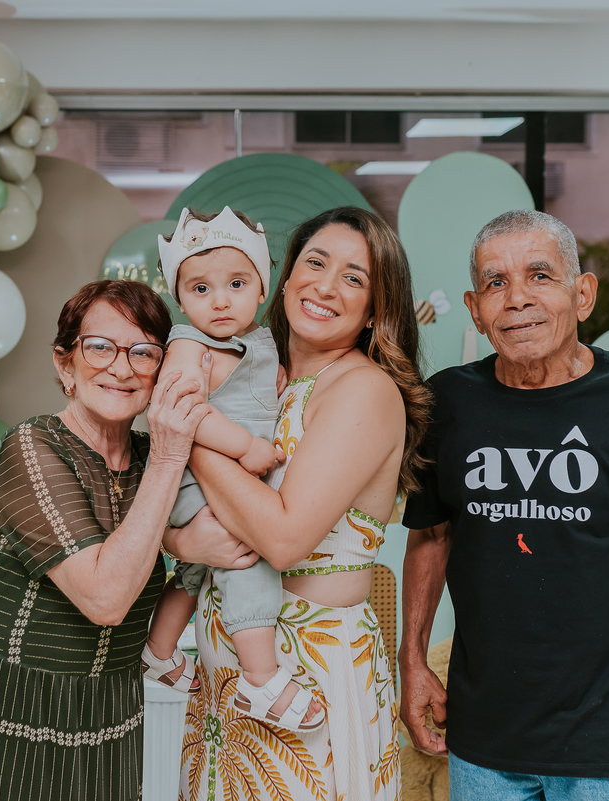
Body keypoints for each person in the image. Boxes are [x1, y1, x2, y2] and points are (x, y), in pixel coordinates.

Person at [399, 209, 609, 801]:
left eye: (539, 275)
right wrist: (412, 659)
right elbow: (431, 536)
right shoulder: (446, 403)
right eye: (496, 283)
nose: (517, 299)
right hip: (486, 735)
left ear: (583, 293)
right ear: (474, 308)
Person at [0, 279, 246, 801]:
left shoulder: (147, 455)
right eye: (99, 347)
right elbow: (106, 597)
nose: (121, 368)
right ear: (64, 363)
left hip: (108, 705)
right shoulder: (30, 448)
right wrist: (171, 467)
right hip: (6, 704)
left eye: (144, 353)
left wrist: (180, 543)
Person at [179, 206, 431, 801]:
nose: (325, 285)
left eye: (354, 278)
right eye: (315, 264)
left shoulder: (364, 389)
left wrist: (187, 429)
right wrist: (182, 540)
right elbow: (186, 509)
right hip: (227, 682)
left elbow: (285, 538)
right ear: (285, 279)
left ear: (376, 310)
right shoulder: (257, 377)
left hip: (310, 676)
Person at [141, 205, 325, 729]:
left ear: (263, 290)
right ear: (180, 298)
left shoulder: (262, 342)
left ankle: (158, 649)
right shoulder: (187, 345)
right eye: (200, 289)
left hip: (223, 479)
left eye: (236, 283)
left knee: (196, 568)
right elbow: (184, 414)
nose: (220, 301)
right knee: (246, 559)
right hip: (190, 478)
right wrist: (245, 445)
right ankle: (261, 679)